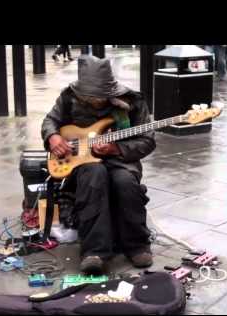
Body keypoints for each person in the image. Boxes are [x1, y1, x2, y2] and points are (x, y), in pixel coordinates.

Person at [41, 55, 156, 275]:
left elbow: (148, 141)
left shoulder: (132, 101)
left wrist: (116, 149)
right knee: (94, 176)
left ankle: (137, 245)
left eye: (102, 97)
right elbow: (50, 121)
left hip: (121, 160)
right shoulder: (68, 97)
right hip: (83, 162)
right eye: (91, 98)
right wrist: (53, 137)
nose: (97, 102)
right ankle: (94, 251)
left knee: (124, 182)